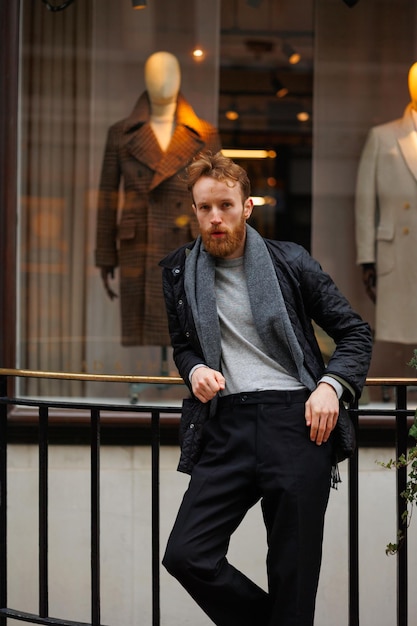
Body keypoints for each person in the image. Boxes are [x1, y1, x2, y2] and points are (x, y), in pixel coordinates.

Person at [159, 151, 373, 626]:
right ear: (194, 210)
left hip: (296, 425)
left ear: (248, 206)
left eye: (226, 206)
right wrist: (194, 370)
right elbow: (183, 347)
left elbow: (355, 332)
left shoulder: (290, 261)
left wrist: (330, 387)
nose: (215, 218)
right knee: (186, 554)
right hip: (226, 427)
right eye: (205, 208)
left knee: (293, 577)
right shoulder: (178, 272)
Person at [95, 51, 221, 347]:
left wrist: (220, 250)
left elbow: (217, 197)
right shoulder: (120, 134)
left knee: (183, 325)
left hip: (187, 242)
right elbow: (106, 200)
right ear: (144, 80)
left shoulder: (205, 134)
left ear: (180, 79)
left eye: (170, 74)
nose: (162, 82)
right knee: (151, 326)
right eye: (155, 74)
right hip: (138, 244)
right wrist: (105, 256)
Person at [355, 61, 417, 344]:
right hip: (397, 252)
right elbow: (365, 203)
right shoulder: (383, 137)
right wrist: (367, 257)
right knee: (399, 341)